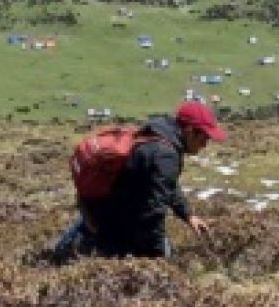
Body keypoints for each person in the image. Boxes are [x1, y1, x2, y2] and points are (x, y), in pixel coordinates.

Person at [54, 100, 226, 261]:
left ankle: (59, 254)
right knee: (124, 254)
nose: (205, 144)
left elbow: (166, 184)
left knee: (76, 243)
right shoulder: (165, 155)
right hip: (112, 218)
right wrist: (156, 259)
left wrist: (187, 215)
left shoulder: (157, 133)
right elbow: (154, 213)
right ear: (189, 131)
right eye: (204, 138)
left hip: (95, 204)